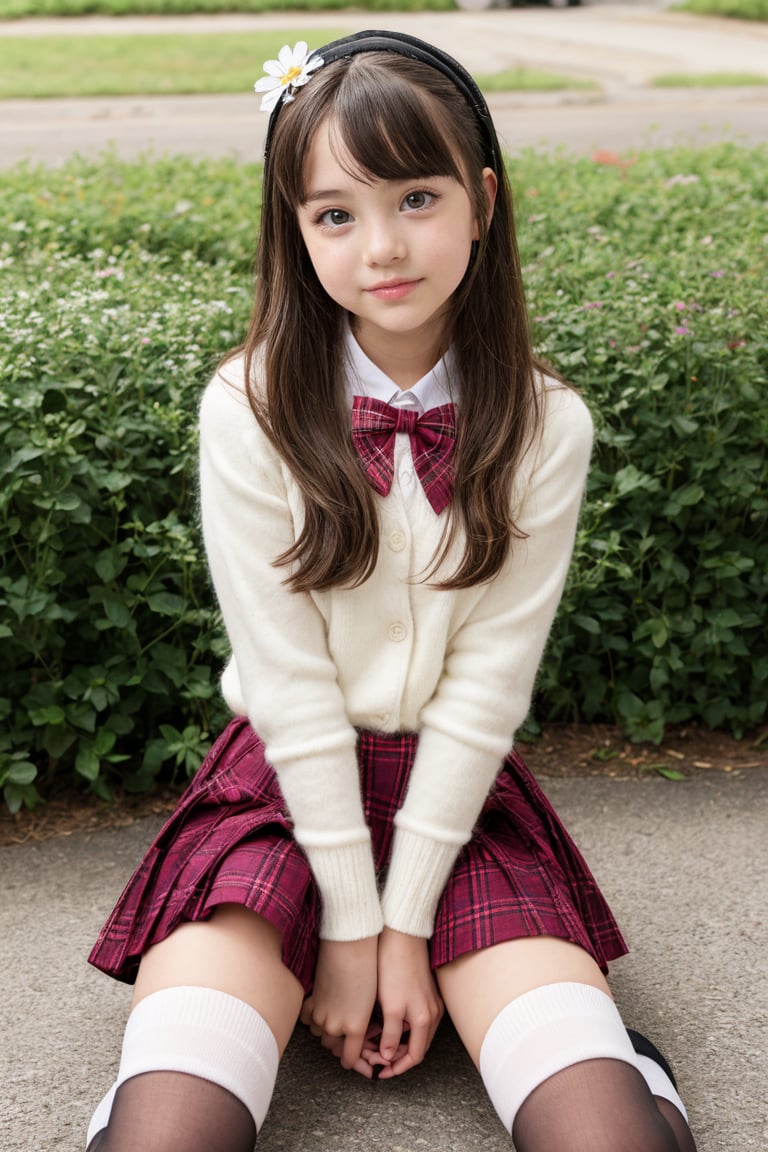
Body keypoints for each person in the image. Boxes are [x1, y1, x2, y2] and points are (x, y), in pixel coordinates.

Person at [84, 31, 697, 1152]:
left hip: (455, 801)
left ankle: (626, 1060)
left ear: (483, 201)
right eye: (334, 213)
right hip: (278, 788)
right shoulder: (251, 405)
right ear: (297, 231)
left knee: (611, 1136)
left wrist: (401, 924)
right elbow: (287, 681)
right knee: (167, 1134)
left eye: (417, 196)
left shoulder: (546, 424)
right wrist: (351, 928)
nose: (382, 248)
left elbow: (487, 685)